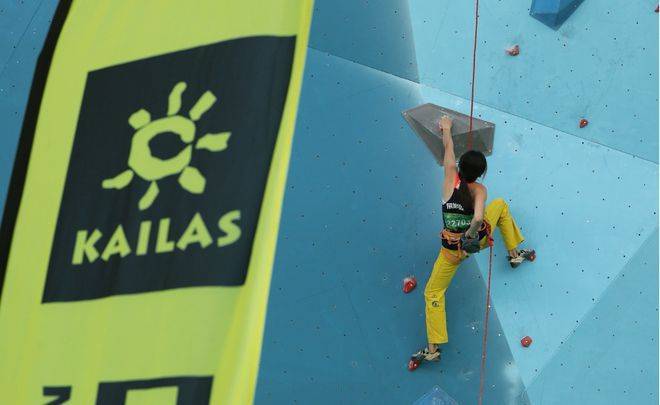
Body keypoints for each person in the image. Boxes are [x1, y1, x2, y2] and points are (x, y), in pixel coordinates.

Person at [411, 115, 535, 364]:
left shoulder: (449, 179)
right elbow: (478, 217)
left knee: (433, 292)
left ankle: (433, 348)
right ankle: (514, 255)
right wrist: (470, 235)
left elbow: (448, 150)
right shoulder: (480, 190)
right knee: (500, 206)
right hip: (476, 242)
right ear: (481, 173)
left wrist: (446, 128)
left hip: (451, 252)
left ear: (460, 167)